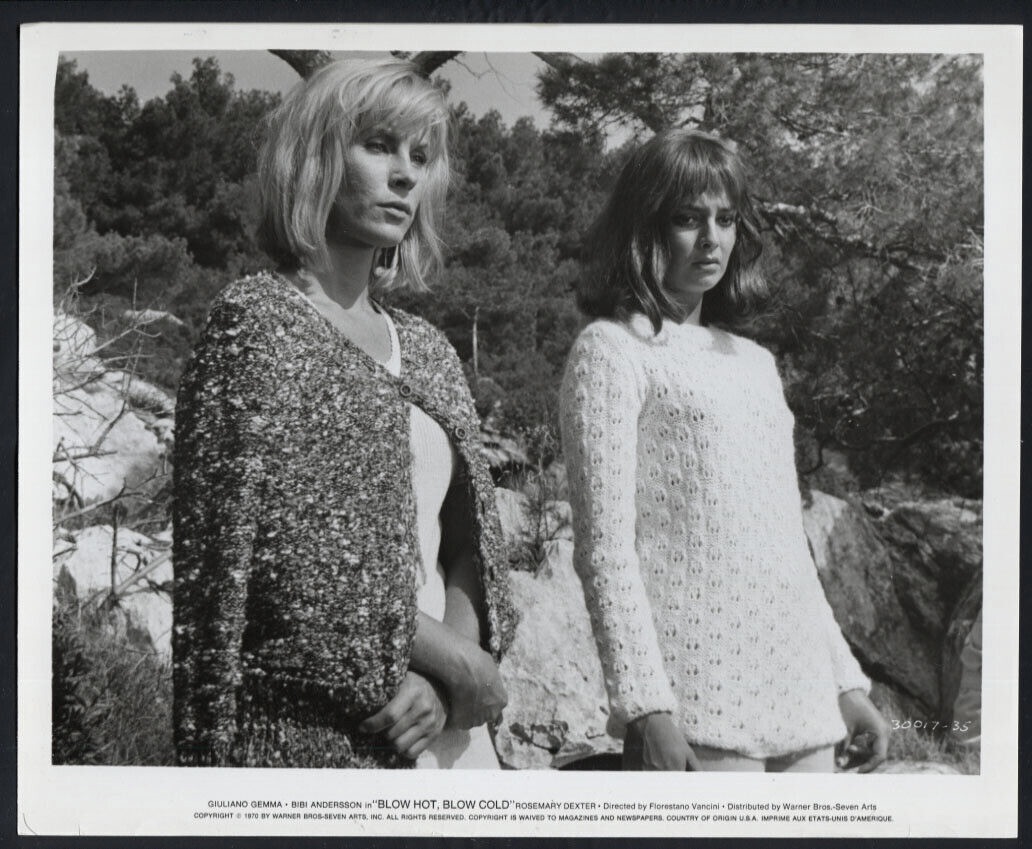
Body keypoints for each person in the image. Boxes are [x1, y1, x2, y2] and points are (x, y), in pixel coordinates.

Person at [172, 58, 517, 769]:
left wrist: (449, 678)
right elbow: (272, 566)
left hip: (448, 736)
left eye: (420, 156)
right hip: (317, 736)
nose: (405, 174)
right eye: (379, 146)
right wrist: (453, 660)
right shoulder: (256, 324)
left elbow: (470, 542)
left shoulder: (427, 349)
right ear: (316, 157)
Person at [559, 129, 889, 773]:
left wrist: (845, 684)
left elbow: (788, 550)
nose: (712, 238)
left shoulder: (756, 363)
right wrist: (646, 706)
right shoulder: (611, 351)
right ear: (644, 227)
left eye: (726, 219)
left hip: (803, 697)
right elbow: (604, 551)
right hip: (694, 699)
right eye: (688, 219)